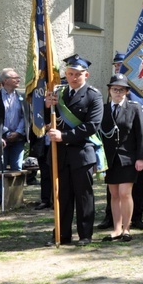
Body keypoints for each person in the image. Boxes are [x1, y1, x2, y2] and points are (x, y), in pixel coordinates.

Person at [44, 54, 104, 246]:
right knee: (62, 196)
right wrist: (47, 106)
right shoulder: (58, 93)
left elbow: (92, 125)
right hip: (59, 154)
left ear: (86, 75)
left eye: (77, 74)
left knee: (83, 195)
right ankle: (61, 234)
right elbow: (47, 119)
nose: (73, 77)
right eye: (70, 74)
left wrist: (65, 136)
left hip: (81, 153)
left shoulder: (94, 95)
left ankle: (85, 235)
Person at [99, 74, 143, 242]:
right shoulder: (103, 109)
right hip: (110, 159)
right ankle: (117, 229)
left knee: (125, 193)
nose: (117, 93)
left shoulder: (134, 108)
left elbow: (140, 134)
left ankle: (127, 229)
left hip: (128, 157)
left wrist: (141, 158)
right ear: (109, 91)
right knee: (114, 194)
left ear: (127, 92)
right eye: (114, 89)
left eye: (121, 90)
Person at [0, 68, 29, 205]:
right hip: (1, 139)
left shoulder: (21, 96)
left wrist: (18, 132)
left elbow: (26, 117)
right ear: (5, 81)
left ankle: (15, 199)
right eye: (15, 77)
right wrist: (5, 133)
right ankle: (1, 198)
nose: (18, 79)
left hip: (18, 138)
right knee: (1, 169)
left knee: (17, 167)